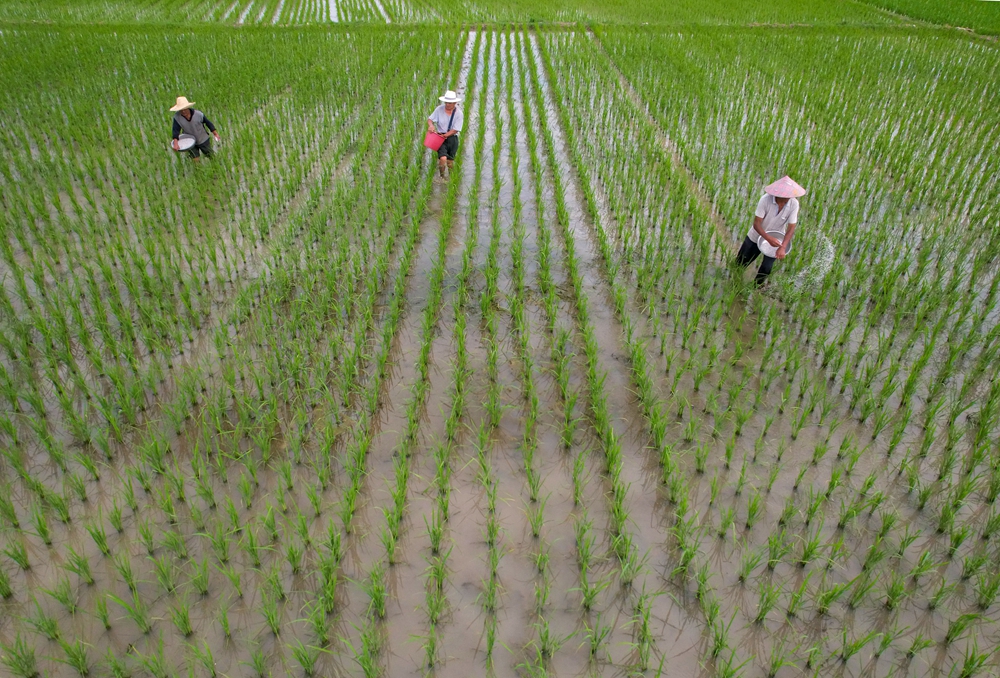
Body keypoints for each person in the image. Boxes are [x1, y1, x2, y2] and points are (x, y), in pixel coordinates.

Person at [735, 176, 805, 286]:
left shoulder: (794, 204)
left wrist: (783, 247)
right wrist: (767, 238)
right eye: (787, 196)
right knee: (741, 262)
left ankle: (754, 288)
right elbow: (756, 224)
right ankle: (733, 281)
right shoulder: (765, 200)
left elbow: (791, 227)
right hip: (756, 236)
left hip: (776, 239)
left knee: (766, 268)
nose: (790, 198)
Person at [169, 96, 220, 160]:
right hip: (189, 140)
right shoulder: (177, 117)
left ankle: (215, 168)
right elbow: (175, 131)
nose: (183, 111)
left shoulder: (198, 114)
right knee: (195, 158)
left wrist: (215, 134)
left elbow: (208, 123)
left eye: (184, 109)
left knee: (210, 156)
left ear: (188, 107)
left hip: (202, 138)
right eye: (181, 110)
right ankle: (198, 169)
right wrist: (176, 144)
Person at [427, 90, 463, 178]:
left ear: (455, 103)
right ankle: (442, 177)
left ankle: (452, 178)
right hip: (440, 137)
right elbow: (430, 119)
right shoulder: (439, 109)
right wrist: (431, 126)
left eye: (450, 103)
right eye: (446, 102)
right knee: (443, 158)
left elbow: (455, 130)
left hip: (452, 138)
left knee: (450, 162)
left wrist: (445, 135)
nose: (447, 104)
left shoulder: (459, 113)